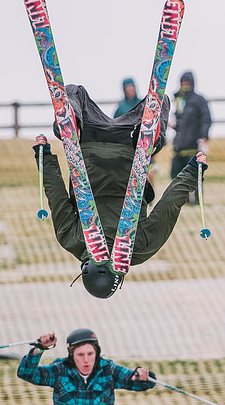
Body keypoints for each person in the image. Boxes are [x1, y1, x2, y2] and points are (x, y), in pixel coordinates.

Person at [34, 84, 207, 299]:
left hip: (132, 149)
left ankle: (154, 115)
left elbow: (169, 205)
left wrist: (192, 171)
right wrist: (44, 155)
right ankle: (72, 120)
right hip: (88, 144)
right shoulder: (71, 240)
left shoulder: (139, 248)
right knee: (73, 91)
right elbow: (56, 194)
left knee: (158, 114)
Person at [17, 328, 156, 405]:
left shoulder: (109, 370)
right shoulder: (60, 371)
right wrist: (39, 348)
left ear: (96, 353)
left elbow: (139, 381)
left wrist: (144, 376)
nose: (86, 360)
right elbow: (26, 373)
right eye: (80, 355)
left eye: (90, 354)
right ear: (71, 355)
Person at [170, 71, 212, 204]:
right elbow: (179, 123)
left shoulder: (199, 101)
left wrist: (203, 137)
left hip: (193, 145)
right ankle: (183, 200)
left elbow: (206, 119)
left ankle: (198, 200)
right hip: (179, 145)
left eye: (187, 82)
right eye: (183, 82)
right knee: (176, 174)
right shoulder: (178, 100)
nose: (185, 85)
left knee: (195, 175)